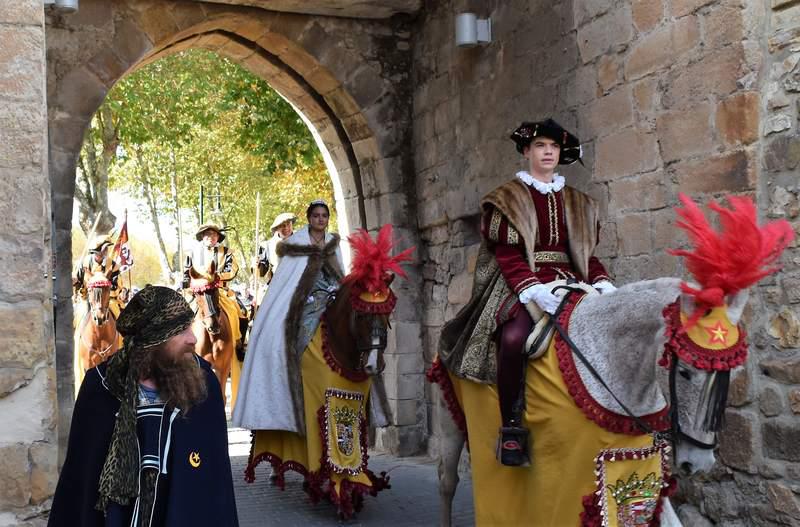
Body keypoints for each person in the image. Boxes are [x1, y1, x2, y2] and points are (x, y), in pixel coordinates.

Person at [439, 118, 615, 467]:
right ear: (526, 151)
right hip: (522, 280)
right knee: (513, 337)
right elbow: (506, 253)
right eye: (540, 146)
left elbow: (585, 254)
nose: (547, 152)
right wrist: (531, 288)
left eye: (553, 147)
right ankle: (513, 429)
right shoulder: (507, 198)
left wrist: (602, 282)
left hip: (570, 279)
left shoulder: (579, 202)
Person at [49, 286, 238, 527]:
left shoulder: (203, 385)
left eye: (190, 327)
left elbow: (216, 484)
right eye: (180, 331)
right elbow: (79, 484)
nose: (192, 338)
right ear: (153, 339)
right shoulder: (101, 387)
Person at [233, 200, 343, 435]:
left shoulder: (334, 242)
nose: (320, 219)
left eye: (324, 215)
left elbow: (339, 271)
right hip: (302, 299)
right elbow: (287, 279)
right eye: (316, 216)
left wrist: (339, 289)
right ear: (309, 218)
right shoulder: (295, 244)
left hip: (331, 295)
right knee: (285, 335)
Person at [183, 224, 243, 345]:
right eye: (208, 234)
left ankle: (238, 342)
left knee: (238, 310)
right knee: (181, 313)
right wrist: (186, 282)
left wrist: (216, 277)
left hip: (219, 289)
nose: (211, 237)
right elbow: (186, 271)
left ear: (218, 237)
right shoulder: (191, 253)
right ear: (202, 236)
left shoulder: (226, 252)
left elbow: (232, 270)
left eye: (214, 234)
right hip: (196, 291)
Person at [73, 234, 123, 318]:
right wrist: (74, 281)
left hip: (108, 299)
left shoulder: (113, 265)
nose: (107, 251)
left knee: (119, 316)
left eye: (107, 248)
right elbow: (78, 283)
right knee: (76, 317)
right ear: (97, 251)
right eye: (105, 248)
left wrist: (104, 290)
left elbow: (116, 286)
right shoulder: (82, 263)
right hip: (87, 299)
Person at [254, 212, 297, 288]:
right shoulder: (267, 246)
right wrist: (257, 267)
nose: (286, 228)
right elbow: (262, 277)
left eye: (288, 224)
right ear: (277, 228)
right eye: (282, 225)